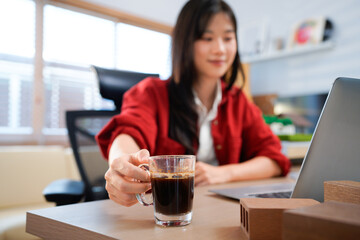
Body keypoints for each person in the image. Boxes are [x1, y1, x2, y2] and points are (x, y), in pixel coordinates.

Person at [96, 0, 291, 207]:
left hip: (222, 214)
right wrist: (122, 164)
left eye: (228, 37)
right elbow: (127, 131)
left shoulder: (238, 101)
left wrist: (221, 174)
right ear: (185, 42)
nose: (220, 49)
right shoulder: (151, 92)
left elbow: (274, 159)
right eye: (207, 38)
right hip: (167, 213)